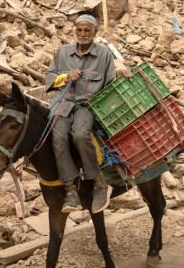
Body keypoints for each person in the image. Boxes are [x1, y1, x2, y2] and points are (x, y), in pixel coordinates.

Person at [45, 14, 130, 214]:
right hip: (63, 104)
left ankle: (98, 183)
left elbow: (109, 85)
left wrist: (120, 73)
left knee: (80, 135)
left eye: (87, 31)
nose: (82, 34)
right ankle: (70, 189)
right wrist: (66, 77)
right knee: (57, 135)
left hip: (88, 106)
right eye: (79, 30)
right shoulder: (64, 52)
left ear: (95, 33)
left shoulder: (104, 56)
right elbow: (49, 78)